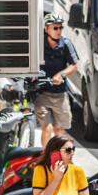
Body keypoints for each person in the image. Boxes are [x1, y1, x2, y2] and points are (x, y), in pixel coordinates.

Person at [35, 12, 79, 143]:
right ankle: (45, 158)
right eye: (55, 28)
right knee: (47, 129)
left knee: (59, 131)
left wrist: (61, 74)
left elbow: (74, 65)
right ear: (46, 29)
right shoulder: (38, 44)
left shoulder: (65, 44)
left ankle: (58, 158)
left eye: (60, 28)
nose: (58, 31)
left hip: (60, 93)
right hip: (42, 93)